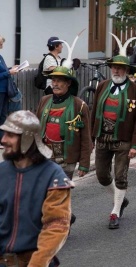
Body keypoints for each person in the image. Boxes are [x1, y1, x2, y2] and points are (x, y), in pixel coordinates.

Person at [0, 110, 72, 267]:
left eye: (10, 135)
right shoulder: (2, 172)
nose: (3, 140)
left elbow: (56, 225)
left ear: (27, 138)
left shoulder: (53, 175)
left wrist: (37, 264)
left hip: (35, 262)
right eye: (4, 134)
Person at [91, 54, 136, 229]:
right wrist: (92, 137)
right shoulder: (102, 86)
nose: (116, 70)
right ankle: (121, 200)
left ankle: (115, 211)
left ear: (127, 71)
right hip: (102, 138)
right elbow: (94, 113)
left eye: (120, 67)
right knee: (102, 176)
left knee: (121, 176)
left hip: (123, 141)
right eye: (114, 67)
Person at [36, 66, 91, 225]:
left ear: (68, 83)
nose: (55, 83)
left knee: (59, 192)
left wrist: (85, 164)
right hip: (45, 156)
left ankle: (60, 223)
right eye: (53, 80)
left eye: (59, 80)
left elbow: (86, 137)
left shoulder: (79, 106)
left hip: (67, 158)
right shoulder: (44, 101)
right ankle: (66, 216)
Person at [0, 35, 18, 148]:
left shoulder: (0, 57)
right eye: (0, 44)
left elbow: (4, 70)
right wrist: (9, 73)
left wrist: (12, 68)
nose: (1, 46)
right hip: (0, 90)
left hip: (4, 90)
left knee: (3, 115)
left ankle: (1, 139)